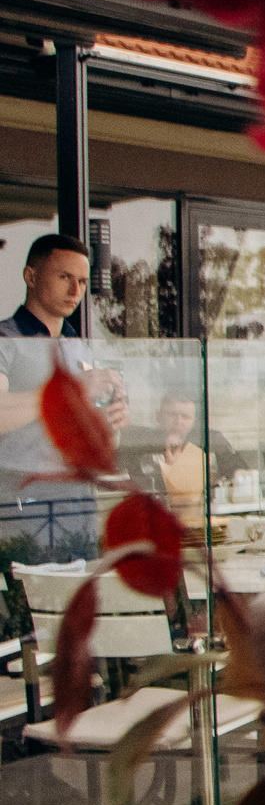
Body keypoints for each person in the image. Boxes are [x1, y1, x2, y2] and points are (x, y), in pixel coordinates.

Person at [0, 232, 125, 561]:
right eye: (64, 277)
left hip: (79, 498)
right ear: (30, 276)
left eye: (83, 282)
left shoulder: (78, 347)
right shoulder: (6, 340)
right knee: (32, 606)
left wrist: (112, 423)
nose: (75, 291)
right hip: (22, 499)